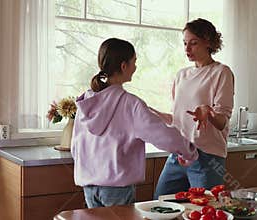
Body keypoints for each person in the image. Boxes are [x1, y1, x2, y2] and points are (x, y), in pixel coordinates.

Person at [71, 38, 199, 208]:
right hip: (118, 189)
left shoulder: (87, 102)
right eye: (134, 62)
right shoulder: (130, 104)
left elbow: (76, 145)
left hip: (88, 186)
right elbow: (163, 135)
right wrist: (188, 151)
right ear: (124, 66)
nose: (136, 67)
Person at [153, 18, 235, 198]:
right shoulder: (181, 75)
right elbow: (177, 118)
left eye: (193, 43)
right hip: (179, 154)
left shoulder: (221, 72)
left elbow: (222, 122)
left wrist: (209, 112)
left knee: (206, 212)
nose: (187, 49)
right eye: (184, 44)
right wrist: (150, 112)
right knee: (161, 205)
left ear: (208, 42)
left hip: (207, 157)